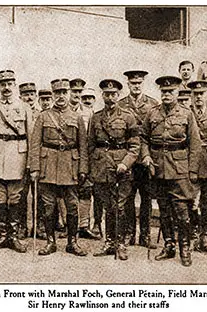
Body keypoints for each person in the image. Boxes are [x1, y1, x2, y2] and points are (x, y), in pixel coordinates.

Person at [142, 76, 202, 266]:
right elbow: (143, 138)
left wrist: (192, 171)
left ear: (177, 93)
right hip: (158, 167)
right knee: (164, 209)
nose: (167, 95)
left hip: (179, 167)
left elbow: (195, 144)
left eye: (170, 91)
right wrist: (146, 156)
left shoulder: (186, 114)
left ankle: (185, 247)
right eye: (164, 92)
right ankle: (169, 245)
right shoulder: (152, 113)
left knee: (181, 210)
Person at [29, 78, 88, 257]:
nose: (61, 96)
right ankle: (50, 242)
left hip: (70, 165)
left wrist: (83, 168)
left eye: (64, 92)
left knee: (72, 205)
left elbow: (83, 145)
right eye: (57, 93)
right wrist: (34, 168)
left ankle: (72, 242)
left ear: (69, 93)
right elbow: (35, 144)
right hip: (48, 166)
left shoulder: (77, 117)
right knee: (48, 206)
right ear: (53, 95)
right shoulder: (43, 116)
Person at [0, 70, 33, 253]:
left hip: (18, 157)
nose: (6, 87)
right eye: (3, 84)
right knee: (0, 196)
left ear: (15, 85)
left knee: (15, 196)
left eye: (10, 84)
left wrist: (30, 163)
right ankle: (3, 235)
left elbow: (31, 137)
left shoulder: (24, 107)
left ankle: (14, 236)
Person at [91, 79, 140, 260]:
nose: (110, 97)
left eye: (113, 94)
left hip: (121, 168)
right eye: (107, 94)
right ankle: (109, 242)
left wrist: (125, 163)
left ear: (118, 95)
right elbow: (90, 145)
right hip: (102, 167)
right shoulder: (96, 117)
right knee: (107, 206)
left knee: (120, 207)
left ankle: (120, 243)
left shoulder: (128, 117)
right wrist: (91, 169)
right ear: (102, 95)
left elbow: (135, 146)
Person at [118, 70, 158, 249]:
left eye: (139, 83)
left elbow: (152, 134)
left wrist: (148, 156)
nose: (136, 86)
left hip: (145, 159)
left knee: (146, 198)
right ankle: (129, 233)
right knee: (127, 197)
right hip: (128, 158)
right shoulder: (121, 104)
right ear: (127, 84)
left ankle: (145, 235)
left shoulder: (153, 104)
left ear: (143, 84)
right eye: (133, 83)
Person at [188, 80, 207, 252]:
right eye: (195, 94)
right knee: (190, 200)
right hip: (190, 164)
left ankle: (204, 235)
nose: (199, 97)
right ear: (191, 96)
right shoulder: (185, 115)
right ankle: (192, 233)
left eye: (202, 94)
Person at [76, 88, 101, 240]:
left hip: (96, 159)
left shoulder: (98, 116)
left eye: (90, 97)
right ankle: (78, 225)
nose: (87, 100)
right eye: (84, 97)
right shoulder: (77, 115)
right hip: (79, 157)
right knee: (79, 191)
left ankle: (96, 224)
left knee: (97, 193)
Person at [19, 82, 40, 239]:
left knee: (39, 194)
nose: (29, 97)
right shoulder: (17, 113)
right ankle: (22, 226)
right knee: (21, 194)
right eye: (26, 94)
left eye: (32, 94)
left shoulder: (42, 114)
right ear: (21, 97)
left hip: (38, 159)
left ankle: (38, 227)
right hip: (20, 159)